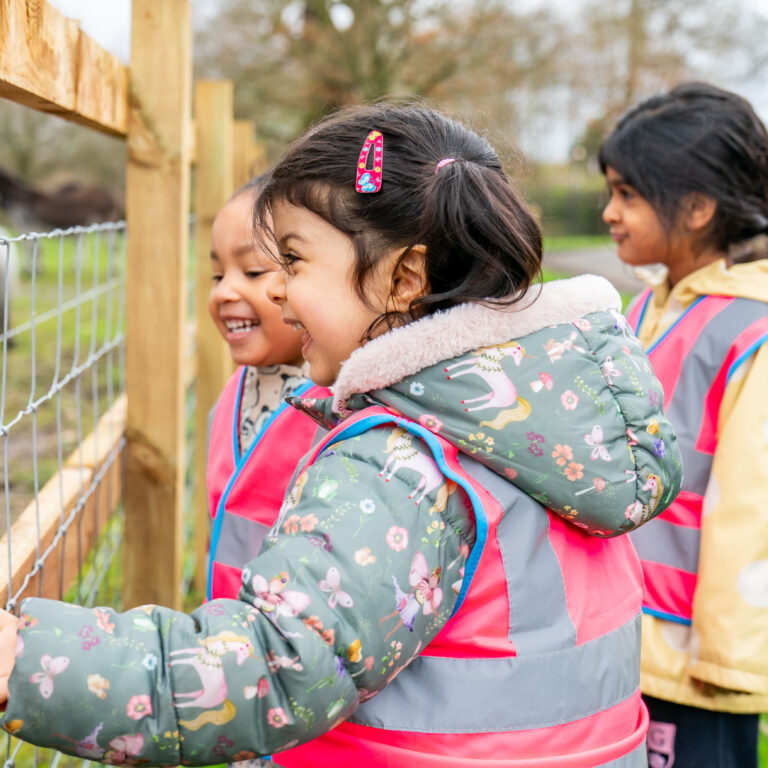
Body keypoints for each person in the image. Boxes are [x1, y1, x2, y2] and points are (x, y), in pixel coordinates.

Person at [0, 104, 682, 767]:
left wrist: (23, 659)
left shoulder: (402, 462)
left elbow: (272, 667)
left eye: (293, 262)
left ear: (404, 279)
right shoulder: (547, 429)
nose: (282, 294)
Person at [600, 82, 768, 768]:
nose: (609, 212)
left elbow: (752, 505)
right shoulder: (641, 313)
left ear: (698, 208)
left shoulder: (751, 330)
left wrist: (728, 660)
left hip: (695, 663)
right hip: (624, 638)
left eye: (628, 194)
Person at [206, 179, 329, 601]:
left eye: (253, 272)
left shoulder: (339, 412)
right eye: (217, 274)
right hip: (226, 636)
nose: (223, 291)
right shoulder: (231, 398)